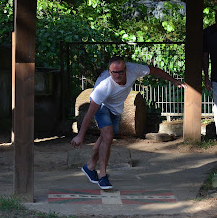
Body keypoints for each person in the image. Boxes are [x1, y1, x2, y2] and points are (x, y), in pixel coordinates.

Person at [71, 56, 187, 190]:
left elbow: (153, 70)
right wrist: (80, 135)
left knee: (105, 138)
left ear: (126, 69)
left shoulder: (134, 69)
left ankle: (90, 166)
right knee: (108, 137)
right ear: (109, 71)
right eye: (114, 72)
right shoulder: (103, 86)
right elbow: (90, 112)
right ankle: (103, 176)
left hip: (116, 108)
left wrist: (173, 80)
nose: (118, 75)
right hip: (102, 106)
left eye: (121, 72)